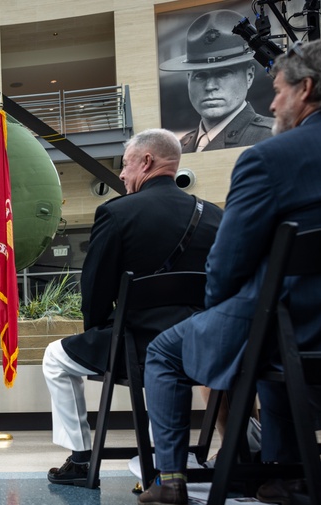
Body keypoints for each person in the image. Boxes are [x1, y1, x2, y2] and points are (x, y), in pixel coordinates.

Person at [139, 38, 321, 505]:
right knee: (268, 339)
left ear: (306, 89)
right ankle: (284, 475)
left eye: (277, 90)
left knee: (166, 351)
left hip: (285, 323)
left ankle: (170, 483)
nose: (272, 103)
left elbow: (227, 265)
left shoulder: (268, 159)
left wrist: (220, 313)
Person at [43, 129, 221, 485]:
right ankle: (169, 457)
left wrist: (95, 332)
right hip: (203, 346)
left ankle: (80, 457)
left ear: (147, 162)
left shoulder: (116, 213)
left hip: (134, 346)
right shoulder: (215, 216)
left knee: (55, 358)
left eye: (125, 165)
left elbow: (96, 287)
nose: (122, 174)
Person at [159, 9, 273, 153]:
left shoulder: (273, 136)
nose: (210, 86)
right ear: (189, 79)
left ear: (249, 76)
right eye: (200, 75)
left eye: (223, 73)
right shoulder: (177, 149)